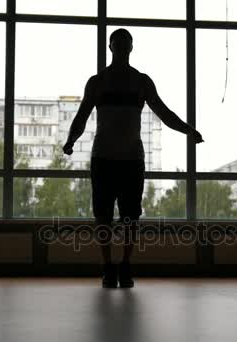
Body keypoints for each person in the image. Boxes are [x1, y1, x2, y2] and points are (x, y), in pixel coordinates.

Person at [63, 28, 204, 288]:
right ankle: (109, 267)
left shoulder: (138, 82)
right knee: (105, 216)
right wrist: (71, 140)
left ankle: (122, 266)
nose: (120, 47)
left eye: (123, 43)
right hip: (108, 158)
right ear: (113, 47)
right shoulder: (100, 82)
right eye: (118, 43)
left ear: (128, 48)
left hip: (127, 159)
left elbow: (164, 112)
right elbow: (81, 116)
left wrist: (189, 130)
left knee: (129, 217)